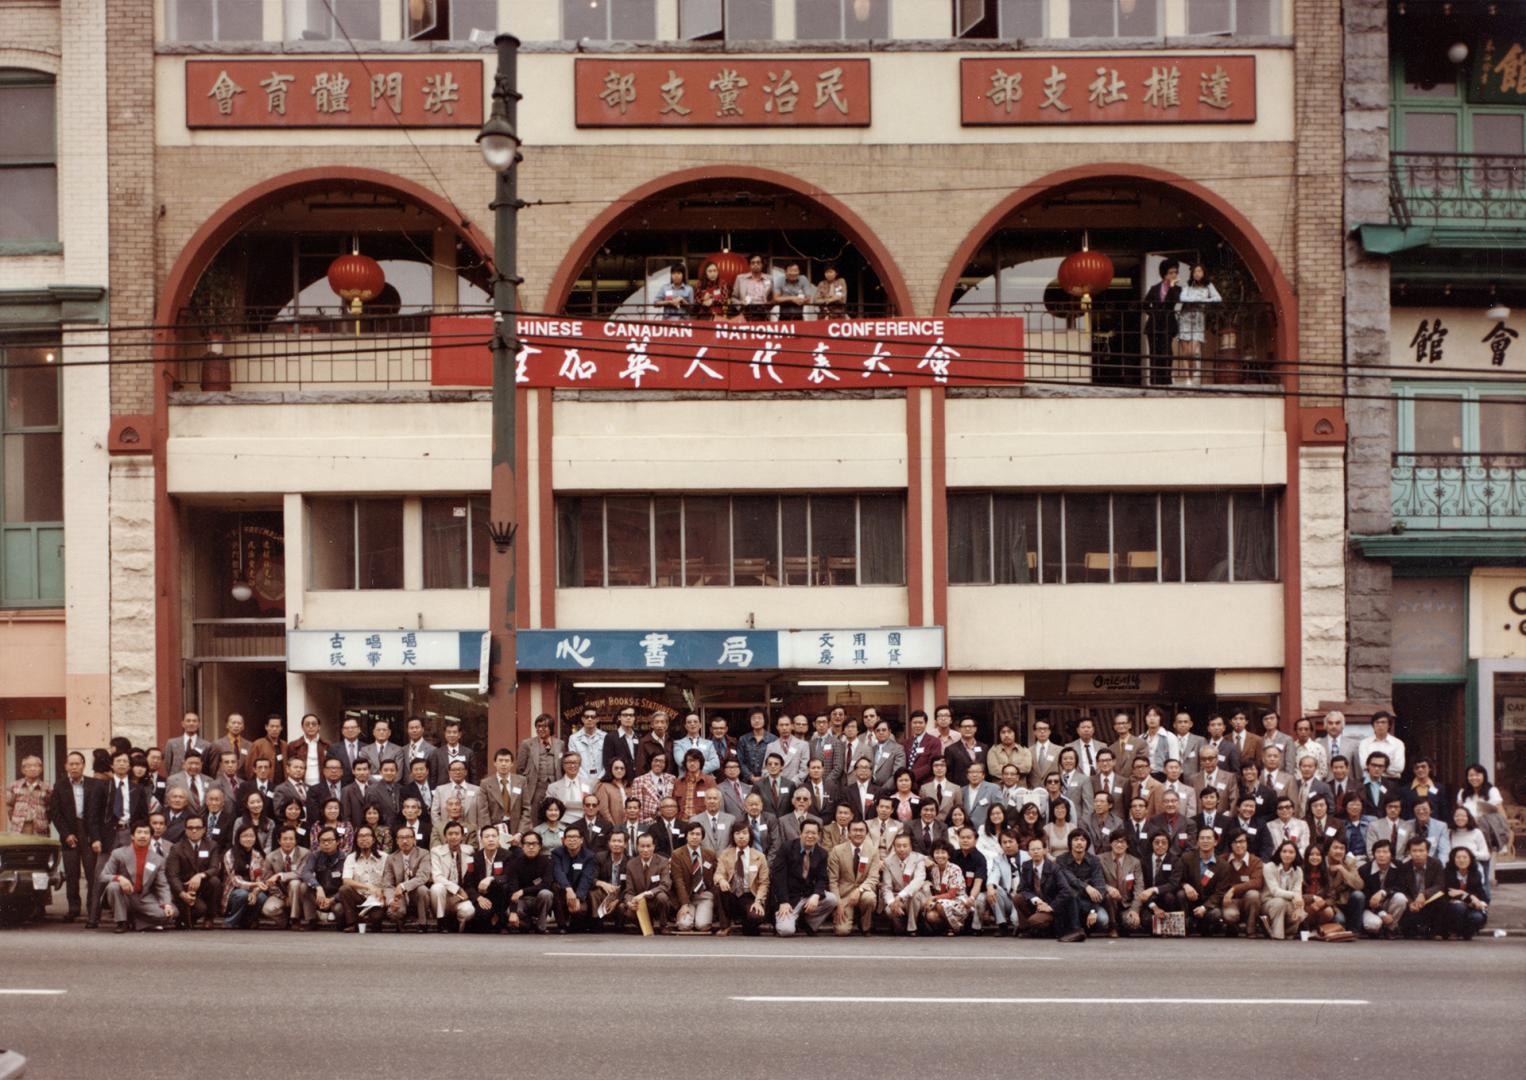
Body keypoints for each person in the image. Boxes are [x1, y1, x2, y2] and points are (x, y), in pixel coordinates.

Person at [49, 751, 106, 923]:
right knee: (72, 874)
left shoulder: (95, 784)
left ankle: (92, 909)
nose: (74, 767)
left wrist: (97, 836)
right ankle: (73, 908)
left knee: (91, 874)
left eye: (77, 763)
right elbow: (55, 813)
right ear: (66, 766)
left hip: (90, 833)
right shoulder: (59, 786)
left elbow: (101, 812)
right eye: (71, 764)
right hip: (70, 833)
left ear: (83, 765)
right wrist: (66, 834)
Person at [98, 823, 176, 932]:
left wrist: (166, 904)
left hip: (143, 898)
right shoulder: (118, 853)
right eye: (139, 832)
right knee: (113, 886)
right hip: (123, 896)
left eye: (146, 833)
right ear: (132, 836)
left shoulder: (158, 860)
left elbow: (162, 885)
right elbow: (103, 876)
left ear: (151, 837)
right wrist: (119, 878)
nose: (142, 836)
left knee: (172, 913)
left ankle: (134, 920)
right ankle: (121, 923)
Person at [776, 820, 836, 936]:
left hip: (808, 895)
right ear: (800, 833)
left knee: (832, 899)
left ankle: (808, 923)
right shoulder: (787, 848)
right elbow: (779, 877)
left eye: (814, 833)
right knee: (786, 931)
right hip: (790, 898)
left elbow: (822, 878)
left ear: (818, 835)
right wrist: (783, 901)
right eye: (807, 832)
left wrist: (816, 895)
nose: (810, 836)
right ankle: (786, 919)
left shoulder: (822, 853)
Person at [165, 815, 222, 929]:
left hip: (203, 884)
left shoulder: (212, 845)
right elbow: (172, 875)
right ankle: (182, 919)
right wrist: (182, 893)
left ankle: (209, 918)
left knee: (215, 881)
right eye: (190, 828)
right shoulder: (177, 848)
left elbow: (215, 868)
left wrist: (200, 875)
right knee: (200, 909)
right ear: (185, 830)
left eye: (198, 827)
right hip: (184, 887)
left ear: (204, 829)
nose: (194, 830)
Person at [714, 820, 770, 936]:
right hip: (731, 894)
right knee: (719, 888)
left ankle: (747, 922)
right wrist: (722, 880)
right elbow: (718, 873)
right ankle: (725, 926)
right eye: (737, 833)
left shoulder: (759, 857)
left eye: (744, 833)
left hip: (749, 896)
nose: (741, 836)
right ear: (732, 836)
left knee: (755, 919)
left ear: (750, 835)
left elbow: (764, 883)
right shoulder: (726, 854)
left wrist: (758, 901)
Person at [827, 818, 880, 936]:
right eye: (855, 830)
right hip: (844, 895)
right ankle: (848, 916)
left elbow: (873, 878)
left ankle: (865, 926)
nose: (858, 833)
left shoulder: (873, 851)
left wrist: (859, 890)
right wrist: (838, 903)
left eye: (861, 830)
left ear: (866, 833)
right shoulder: (837, 850)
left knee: (869, 898)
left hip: (863, 892)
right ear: (848, 833)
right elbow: (833, 881)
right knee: (842, 931)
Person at [1016, 836, 1070, 938]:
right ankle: (1026, 930)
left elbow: (1065, 890)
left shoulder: (1054, 868)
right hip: (1036, 904)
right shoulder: (1026, 866)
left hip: (1051, 906)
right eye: (1032, 849)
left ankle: (1044, 928)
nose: (1035, 852)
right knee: (1018, 898)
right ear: (1028, 852)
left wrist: (1050, 907)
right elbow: (1022, 888)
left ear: (1045, 850)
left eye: (1038, 849)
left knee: (1033, 921)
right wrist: (1036, 900)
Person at [263, 824, 315, 930]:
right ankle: (285, 921)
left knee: (295, 883)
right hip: (281, 894)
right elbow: (268, 881)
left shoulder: (305, 853)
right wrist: (283, 897)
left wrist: (279, 875)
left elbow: (301, 873)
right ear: (279, 841)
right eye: (285, 839)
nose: (288, 842)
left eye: (291, 839)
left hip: (300, 893)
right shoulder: (270, 857)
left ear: (296, 841)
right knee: (268, 909)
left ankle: (295, 919)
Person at [336, 824, 386, 931]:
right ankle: (353, 924)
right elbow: (346, 880)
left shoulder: (384, 857)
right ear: (356, 840)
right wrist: (368, 887)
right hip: (358, 896)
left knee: (376, 919)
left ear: (373, 840)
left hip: (377, 898)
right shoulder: (351, 858)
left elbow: (390, 879)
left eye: (367, 835)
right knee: (344, 889)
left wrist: (382, 892)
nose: (364, 839)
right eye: (360, 836)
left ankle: (368, 919)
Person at [381, 825, 431, 932]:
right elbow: (387, 884)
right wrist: (390, 901)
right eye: (401, 838)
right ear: (397, 841)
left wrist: (403, 886)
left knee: (422, 889)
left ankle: (423, 923)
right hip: (400, 895)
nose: (405, 841)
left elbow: (423, 876)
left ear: (414, 839)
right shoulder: (391, 858)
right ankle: (401, 919)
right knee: (393, 912)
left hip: (415, 893)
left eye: (408, 837)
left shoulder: (423, 854)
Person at [668, 822, 716, 933]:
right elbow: (678, 881)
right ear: (686, 835)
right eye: (691, 834)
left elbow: (716, 876)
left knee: (702, 926)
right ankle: (689, 916)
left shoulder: (710, 854)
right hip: (687, 897)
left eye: (698, 834)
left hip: (705, 896)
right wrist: (684, 904)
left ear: (702, 837)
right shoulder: (677, 854)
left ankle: (703, 915)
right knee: (684, 926)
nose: (694, 837)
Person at [465, 825, 514, 933]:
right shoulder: (473, 857)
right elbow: (468, 883)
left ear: (498, 838)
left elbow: (508, 877)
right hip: (482, 896)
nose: (491, 839)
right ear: (481, 840)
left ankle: (501, 920)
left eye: (494, 836)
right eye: (487, 837)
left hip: (500, 896)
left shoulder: (507, 855)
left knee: (504, 885)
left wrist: (491, 878)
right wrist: (478, 897)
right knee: (483, 915)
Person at [428, 821, 476, 932]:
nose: (453, 837)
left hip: (461, 897)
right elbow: (437, 876)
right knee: (437, 887)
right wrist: (457, 889)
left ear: (462, 836)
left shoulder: (469, 850)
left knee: (469, 911)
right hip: (443, 896)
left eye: (457, 834)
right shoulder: (436, 851)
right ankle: (441, 921)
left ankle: (457, 926)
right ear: (445, 836)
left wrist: (464, 891)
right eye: (450, 834)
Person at [622, 831, 673, 932]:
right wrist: (629, 902)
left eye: (648, 846)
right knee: (624, 908)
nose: (645, 849)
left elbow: (665, 885)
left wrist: (646, 894)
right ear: (637, 847)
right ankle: (644, 925)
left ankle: (663, 925)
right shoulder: (631, 864)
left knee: (662, 897)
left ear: (654, 846)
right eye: (642, 846)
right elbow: (629, 890)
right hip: (640, 903)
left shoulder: (663, 861)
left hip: (655, 900)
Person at [517, 713, 564, 821]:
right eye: (538, 726)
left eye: (544, 726)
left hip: (554, 785)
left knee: (554, 814)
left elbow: (561, 767)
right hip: (536, 786)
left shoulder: (560, 744)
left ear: (551, 728)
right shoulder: (527, 744)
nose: (541, 729)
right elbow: (520, 768)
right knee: (534, 816)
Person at [221, 823, 269, 929]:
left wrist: (255, 892)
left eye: (251, 836)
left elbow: (260, 877)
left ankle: (248, 921)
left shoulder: (258, 855)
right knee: (242, 894)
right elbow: (235, 881)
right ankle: (230, 921)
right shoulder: (230, 854)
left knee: (262, 897)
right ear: (238, 838)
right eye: (245, 836)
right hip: (234, 891)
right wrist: (255, 885)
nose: (248, 839)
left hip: (253, 889)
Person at [1143, 258, 1181, 386]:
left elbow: (1173, 301)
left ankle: (1166, 381)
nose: (1174, 275)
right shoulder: (1155, 288)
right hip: (1153, 325)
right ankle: (1154, 381)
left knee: (1167, 353)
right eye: (1171, 272)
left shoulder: (1177, 289)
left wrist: (1171, 287)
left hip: (1168, 325)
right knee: (1154, 353)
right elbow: (1144, 305)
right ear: (1164, 274)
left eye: (1175, 272)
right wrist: (1153, 313)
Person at [1360, 838, 1408, 938]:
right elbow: (1366, 897)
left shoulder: (1399, 866)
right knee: (1373, 925)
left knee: (1401, 898)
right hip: (1370, 907)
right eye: (1378, 852)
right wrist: (1382, 913)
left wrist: (1383, 892)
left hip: (1389, 903)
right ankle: (1381, 928)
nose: (1381, 855)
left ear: (1391, 854)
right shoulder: (1364, 870)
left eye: (1385, 852)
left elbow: (1401, 887)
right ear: (1374, 854)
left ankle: (1390, 929)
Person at [1260, 839, 1305, 940]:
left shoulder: (1298, 870)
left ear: (1296, 854)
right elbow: (1275, 891)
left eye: (1291, 852)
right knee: (1280, 902)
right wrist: (1294, 896)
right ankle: (1277, 935)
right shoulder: (1269, 867)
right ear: (1279, 852)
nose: (1287, 855)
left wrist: (1299, 907)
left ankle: (1289, 933)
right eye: (1284, 851)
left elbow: (1298, 891)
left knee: (1300, 908)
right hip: (1268, 902)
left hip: (1287, 902)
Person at [1442, 847, 1489, 940]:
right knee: (1459, 906)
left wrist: (1462, 893)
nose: (1461, 860)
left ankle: (1467, 933)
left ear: (1470, 859)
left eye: (1465, 857)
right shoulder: (1447, 873)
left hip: (1470, 907)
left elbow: (1482, 895)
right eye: (1458, 857)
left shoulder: (1476, 873)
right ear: (1453, 859)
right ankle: (1453, 931)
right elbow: (1450, 893)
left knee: (1477, 917)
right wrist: (1470, 897)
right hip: (1450, 908)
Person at [6, 753, 50, 836]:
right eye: (29, 766)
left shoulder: (46, 788)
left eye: (36, 766)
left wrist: (42, 821)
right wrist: (17, 819)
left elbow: (49, 809)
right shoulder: (14, 786)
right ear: (23, 770)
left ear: (41, 769)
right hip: (19, 828)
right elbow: (9, 806)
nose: (33, 768)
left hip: (40, 828)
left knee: (38, 848)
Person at [632, 751, 676, 822]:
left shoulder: (671, 779)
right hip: (648, 821)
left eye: (661, 761)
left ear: (665, 764)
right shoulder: (639, 781)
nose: (658, 764)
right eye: (656, 761)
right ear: (650, 762)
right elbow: (637, 805)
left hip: (668, 820)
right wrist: (641, 826)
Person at [163, 711, 210, 777]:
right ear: (183, 724)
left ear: (199, 724)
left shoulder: (207, 745)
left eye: (194, 721)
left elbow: (206, 766)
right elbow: (167, 765)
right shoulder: (172, 743)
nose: (191, 723)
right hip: (177, 781)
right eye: (188, 721)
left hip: (197, 781)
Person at [731, 254, 774, 321]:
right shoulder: (740, 278)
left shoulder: (769, 279)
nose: (755, 265)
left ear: (762, 265)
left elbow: (773, 298)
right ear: (749, 265)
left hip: (763, 312)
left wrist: (769, 305)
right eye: (753, 263)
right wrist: (740, 304)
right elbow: (733, 298)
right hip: (746, 311)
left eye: (758, 262)